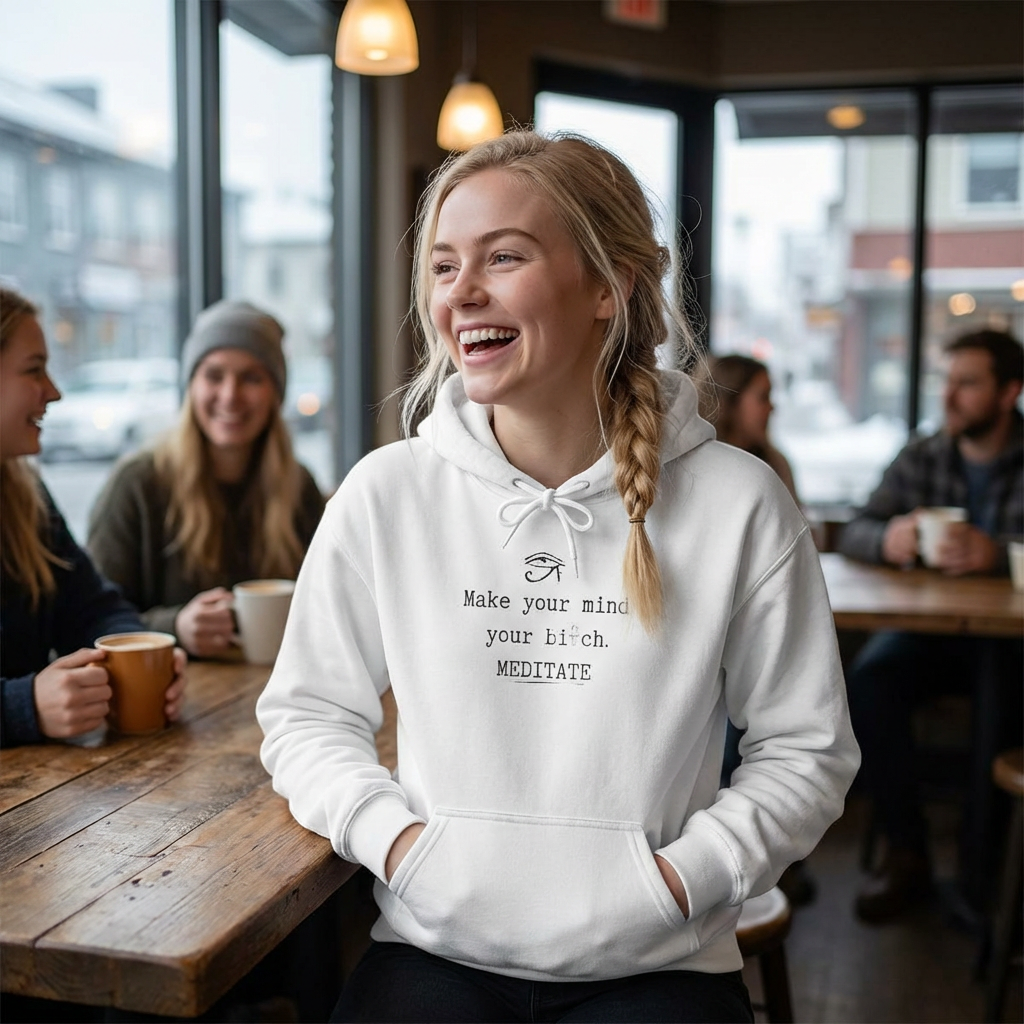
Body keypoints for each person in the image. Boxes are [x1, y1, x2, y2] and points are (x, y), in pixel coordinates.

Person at [257, 132, 859, 1023]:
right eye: (443, 265)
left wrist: (680, 881)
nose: (460, 293)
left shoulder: (739, 503)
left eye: (503, 257)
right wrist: (400, 845)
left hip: (663, 964)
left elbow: (807, 750)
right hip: (435, 952)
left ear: (608, 289)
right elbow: (306, 717)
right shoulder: (386, 494)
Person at [839, 328, 1023, 923]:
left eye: (968, 384)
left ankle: (986, 873)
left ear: (1008, 392)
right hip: (930, 635)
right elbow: (856, 530)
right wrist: (888, 538)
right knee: (871, 679)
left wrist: (995, 556)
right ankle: (908, 853)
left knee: (1005, 696)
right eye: (948, 381)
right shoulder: (924, 454)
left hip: (1011, 644)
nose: (949, 397)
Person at [87, 300, 325, 658]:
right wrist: (176, 628)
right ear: (191, 386)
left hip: (278, 692)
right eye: (214, 375)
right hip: (175, 699)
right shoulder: (138, 484)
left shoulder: (299, 486)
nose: (230, 396)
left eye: (251, 378)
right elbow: (91, 622)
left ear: (275, 394)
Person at [1, 288, 185, 748]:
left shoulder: (25, 497)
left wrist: (142, 656)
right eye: (34, 369)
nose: (54, 391)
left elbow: (93, 608)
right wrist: (24, 707)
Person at [703, 354, 798, 501]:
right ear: (731, 403)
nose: (772, 407)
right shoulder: (702, 467)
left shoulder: (776, 465)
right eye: (763, 397)